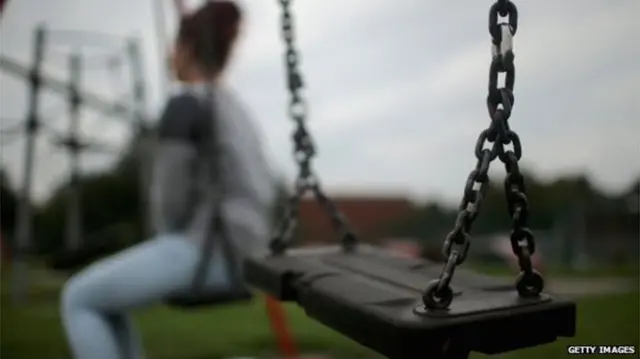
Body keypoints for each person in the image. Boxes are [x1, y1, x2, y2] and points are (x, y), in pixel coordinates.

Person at [61, 2, 275, 358]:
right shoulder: (236, 109)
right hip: (251, 253)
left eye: (174, 46)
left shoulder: (185, 106)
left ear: (188, 49)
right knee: (108, 303)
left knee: (78, 298)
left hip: (208, 249)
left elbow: (169, 201)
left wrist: (165, 238)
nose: (169, 54)